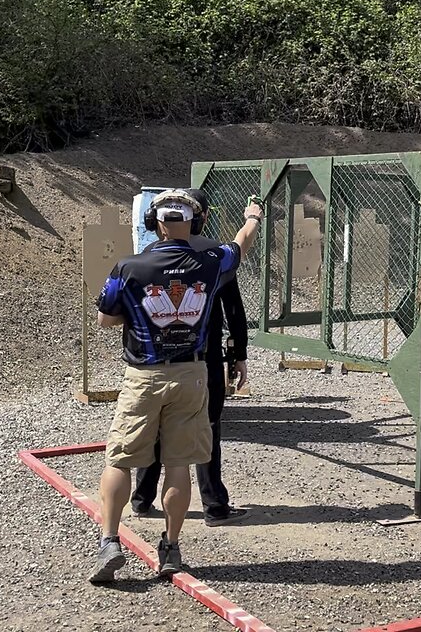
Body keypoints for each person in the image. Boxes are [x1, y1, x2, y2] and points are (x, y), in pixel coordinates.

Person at [89, 188, 262, 583]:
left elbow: (105, 319)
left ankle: (110, 541)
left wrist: (140, 318)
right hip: (192, 375)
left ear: (155, 224)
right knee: (179, 464)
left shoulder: (128, 267)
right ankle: (170, 546)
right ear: (195, 222)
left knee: (119, 459)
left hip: (144, 376)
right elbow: (241, 243)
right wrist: (253, 215)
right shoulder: (211, 263)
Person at [130, 188, 249, 527]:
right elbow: (234, 310)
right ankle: (214, 506)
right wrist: (237, 354)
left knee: (155, 428)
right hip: (203, 356)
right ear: (201, 218)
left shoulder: (152, 251)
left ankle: (142, 498)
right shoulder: (214, 257)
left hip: (157, 358)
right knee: (207, 428)